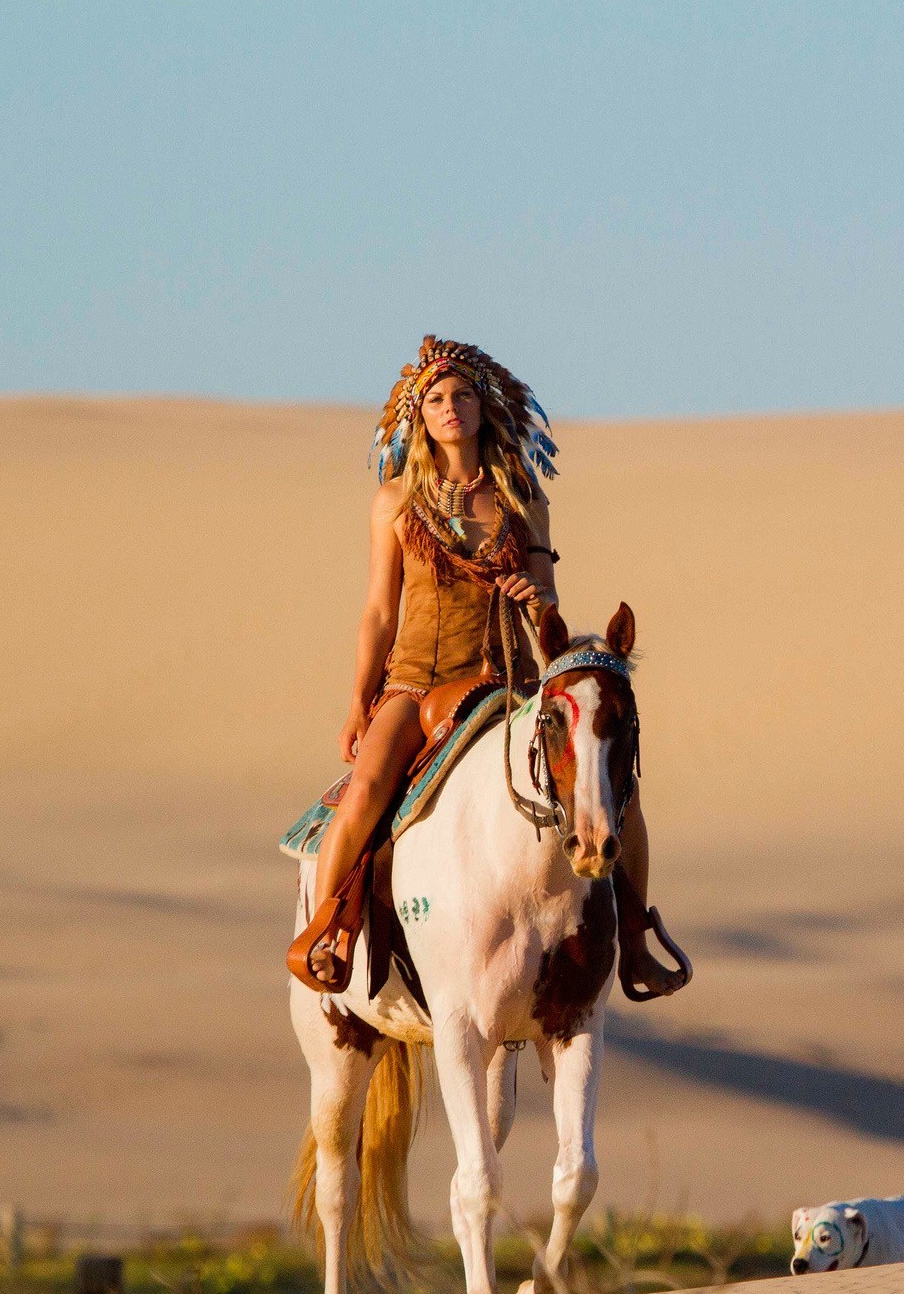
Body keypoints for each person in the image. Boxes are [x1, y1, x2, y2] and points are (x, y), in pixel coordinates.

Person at [288, 335, 687, 999]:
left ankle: (635, 944)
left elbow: (547, 602)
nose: (452, 408)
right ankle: (325, 931)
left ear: (483, 408)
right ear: (420, 416)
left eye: (464, 396)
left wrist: (537, 601)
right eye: (438, 399)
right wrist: (360, 701)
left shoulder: (522, 497)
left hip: (501, 683)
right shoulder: (394, 501)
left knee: (620, 792)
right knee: (364, 790)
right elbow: (379, 614)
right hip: (413, 683)